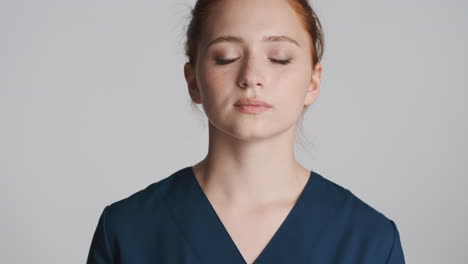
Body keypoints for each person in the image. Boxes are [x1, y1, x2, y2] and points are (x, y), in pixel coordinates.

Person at [86, 0, 406, 263]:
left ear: (313, 82)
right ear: (193, 80)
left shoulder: (370, 240)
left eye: (279, 59)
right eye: (226, 58)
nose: (251, 77)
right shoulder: (128, 231)